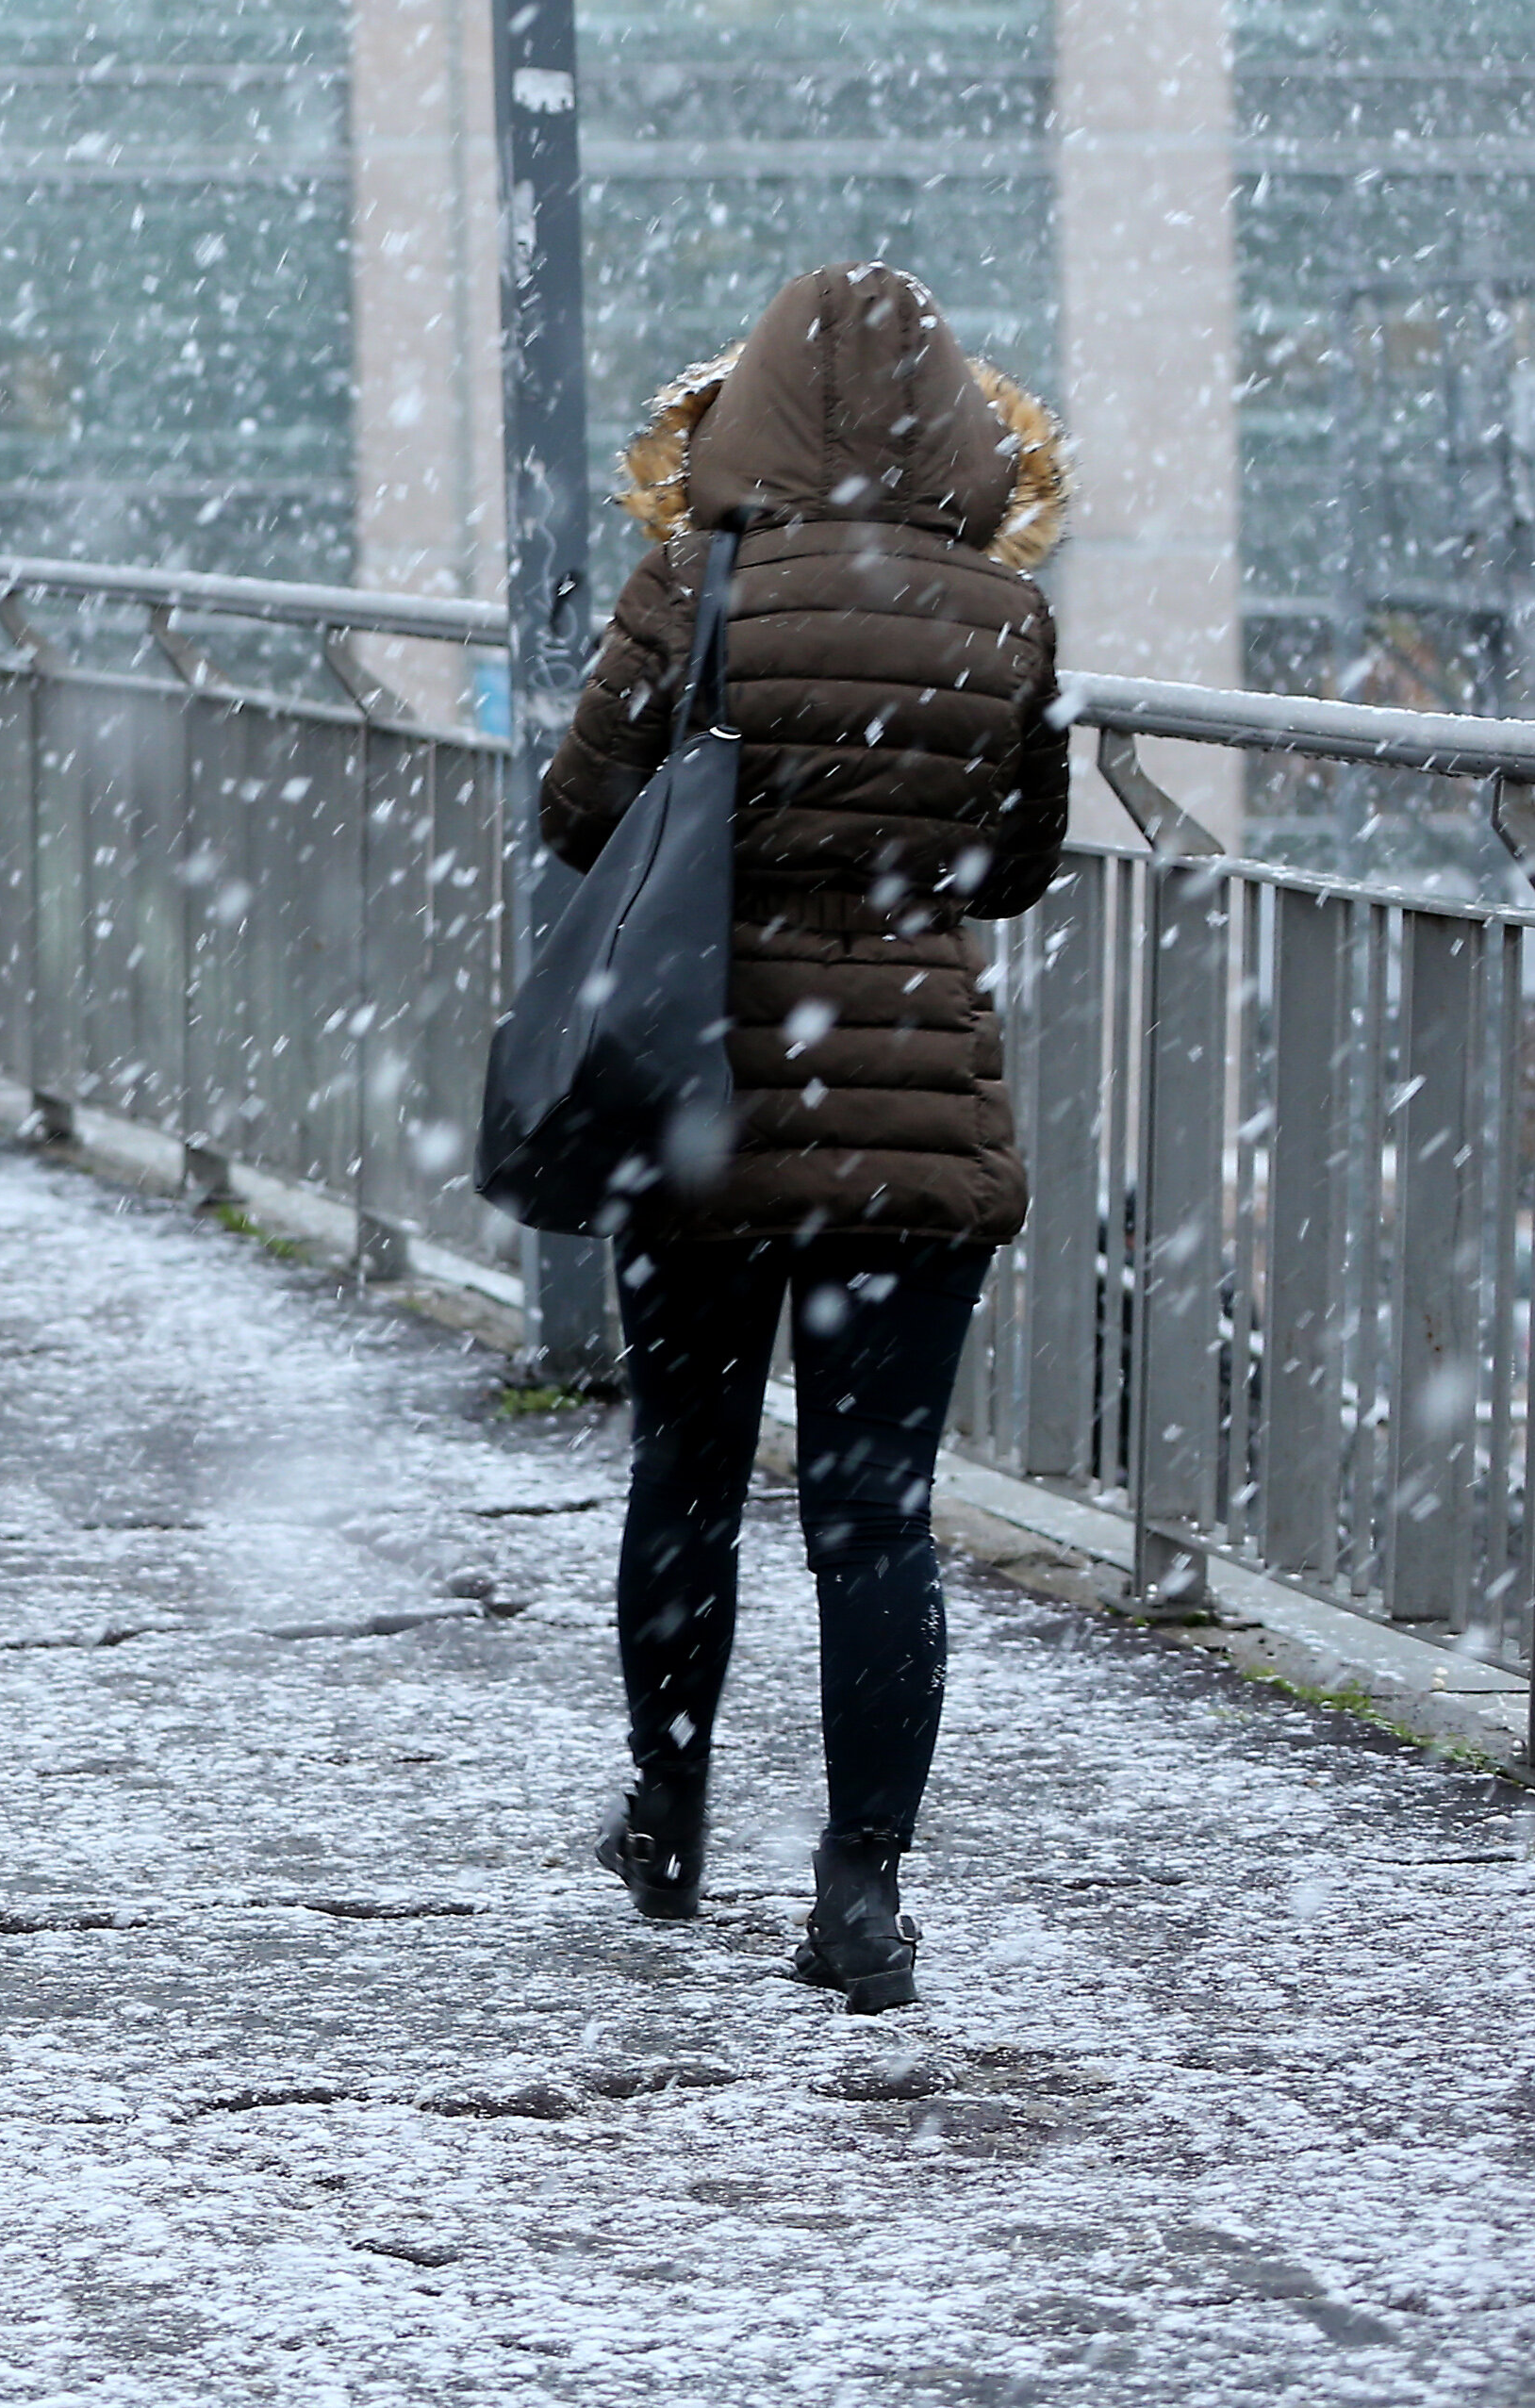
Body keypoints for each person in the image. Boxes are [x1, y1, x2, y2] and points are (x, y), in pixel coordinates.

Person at [536, 260, 1069, 2016]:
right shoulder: (1002, 611)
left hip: (698, 1100)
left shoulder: (695, 581)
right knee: (873, 1516)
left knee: (688, 1477)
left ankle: (668, 1816)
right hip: (911, 1123)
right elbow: (1012, 863)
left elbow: (577, 812)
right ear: (960, 426)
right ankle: (860, 1891)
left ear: (743, 406)